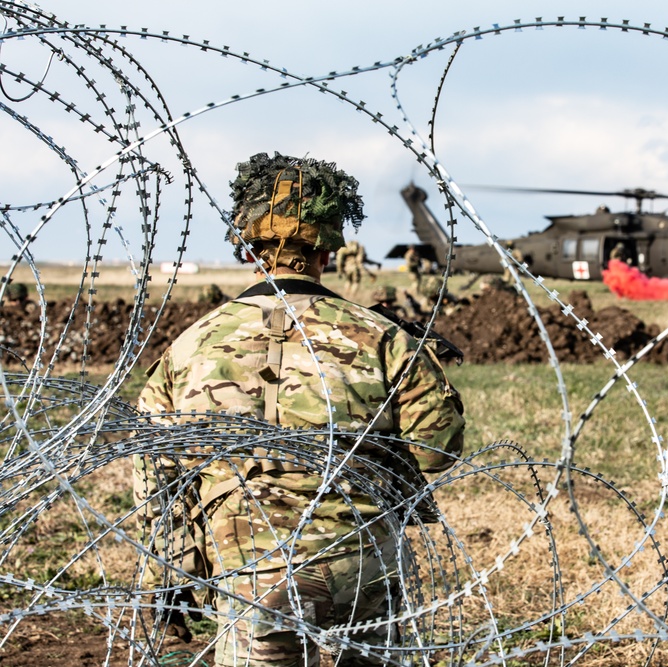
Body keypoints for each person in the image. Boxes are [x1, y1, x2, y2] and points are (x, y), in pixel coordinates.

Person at [133, 152, 465, 667]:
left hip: (249, 570)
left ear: (248, 250)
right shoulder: (383, 339)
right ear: (329, 251)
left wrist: (168, 581)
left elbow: (157, 477)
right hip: (361, 561)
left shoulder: (187, 348)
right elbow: (437, 451)